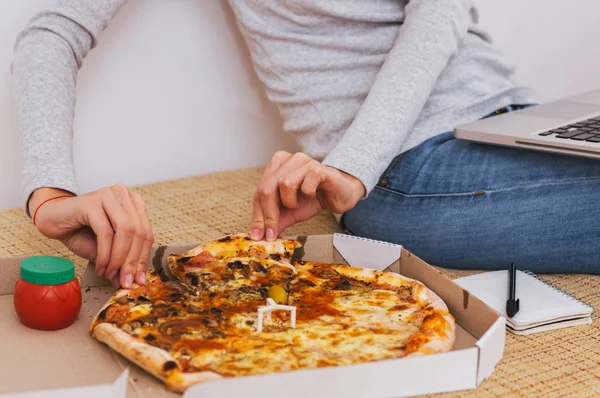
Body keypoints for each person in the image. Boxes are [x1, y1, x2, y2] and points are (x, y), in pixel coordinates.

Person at [17, 0, 591, 290]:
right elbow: (54, 28)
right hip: (412, 165)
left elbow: (441, 11)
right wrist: (47, 196)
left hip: (519, 114)